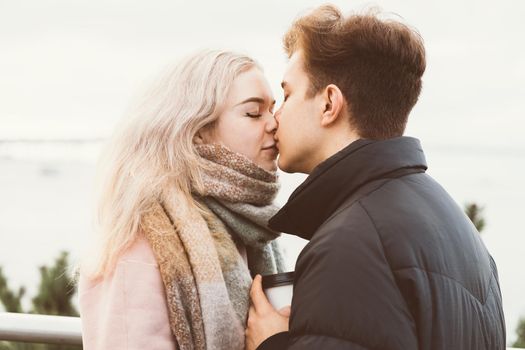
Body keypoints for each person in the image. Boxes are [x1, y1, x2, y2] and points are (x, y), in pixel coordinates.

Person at [245, 5, 505, 350]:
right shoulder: (459, 228)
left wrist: (273, 344)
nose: (275, 118)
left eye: (288, 95)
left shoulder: (350, 244)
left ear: (329, 104)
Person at [78, 50, 286, 350]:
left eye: (272, 109)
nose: (273, 124)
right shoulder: (147, 237)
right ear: (199, 131)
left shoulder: (247, 226)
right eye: (254, 113)